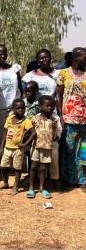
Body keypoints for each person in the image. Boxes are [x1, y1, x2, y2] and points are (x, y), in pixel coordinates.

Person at [0, 44, 23, 168]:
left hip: (13, 110)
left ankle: (12, 165)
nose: (2, 55)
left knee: (13, 137)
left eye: (4, 53)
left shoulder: (14, 69)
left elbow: (20, 88)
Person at [56, 47, 86, 188]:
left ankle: (80, 179)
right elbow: (59, 95)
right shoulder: (63, 74)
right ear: (75, 57)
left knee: (83, 150)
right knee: (68, 149)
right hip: (69, 118)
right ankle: (66, 178)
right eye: (83, 56)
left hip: (84, 119)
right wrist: (61, 115)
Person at [0, 99, 35, 195]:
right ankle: (5, 182)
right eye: (18, 108)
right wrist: (1, 147)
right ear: (13, 109)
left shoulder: (26, 121)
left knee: (17, 169)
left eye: (22, 108)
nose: (21, 110)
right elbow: (5, 133)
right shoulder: (9, 119)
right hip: (7, 147)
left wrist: (25, 144)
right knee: (2, 167)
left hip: (18, 149)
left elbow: (33, 133)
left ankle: (16, 186)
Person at [27, 95, 61, 199]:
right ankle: (31, 188)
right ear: (40, 107)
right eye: (47, 106)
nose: (50, 108)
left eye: (52, 106)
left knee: (43, 168)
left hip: (47, 147)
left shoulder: (54, 119)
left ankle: (42, 188)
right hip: (36, 146)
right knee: (33, 167)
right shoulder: (35, 118)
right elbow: (29, 131)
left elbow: (57, 131)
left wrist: (56, 137)